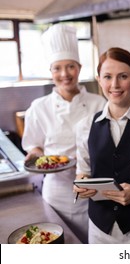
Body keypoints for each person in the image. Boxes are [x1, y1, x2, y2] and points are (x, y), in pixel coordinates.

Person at [22, 24, 106, 243]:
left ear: (79, 68)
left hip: (93, 191)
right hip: (56, 193)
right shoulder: (39, 107)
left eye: (70, 66)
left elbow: (108, 145)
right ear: (51, 71)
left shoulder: (99, 103)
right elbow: (34, 145)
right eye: (57, 68)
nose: (64, 74)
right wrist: (36, 156)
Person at [74, 47, 130, 244]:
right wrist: (81, 184)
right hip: (99, 229)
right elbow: (83, 171)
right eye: (107, 77)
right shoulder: (85, 126)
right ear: (99, 79)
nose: (115, 85)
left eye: (123, 76)